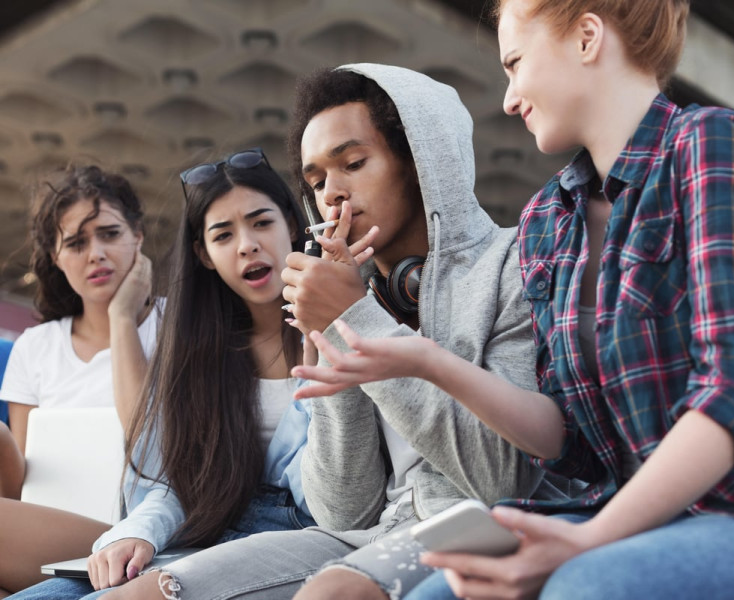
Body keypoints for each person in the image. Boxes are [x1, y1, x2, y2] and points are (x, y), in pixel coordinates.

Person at [291, 1, 734, 598]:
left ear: (587, 38)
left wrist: (590, 539)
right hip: (602, 510)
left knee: (585, 585)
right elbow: (564, 438)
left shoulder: (713, 147)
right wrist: (422, 360)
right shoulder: (549, 219)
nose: (508, 98)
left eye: (515, 62)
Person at [98, 63, 567, 600]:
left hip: (480, 524)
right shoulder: (350, 291)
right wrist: (337, 330)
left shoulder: (511, 263)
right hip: (362, 535)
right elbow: (345, 506)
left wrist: (361, 320)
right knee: (138, 595)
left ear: (418, 160)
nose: (332, 195)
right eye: (317, 181)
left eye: (353, 163)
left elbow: (500, 480)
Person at [7, 148, 373, 600]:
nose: (246, 245)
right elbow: (172, 479)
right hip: (198, 535)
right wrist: (136, 531)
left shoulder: (349, 328)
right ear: (204, 255)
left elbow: (340, 500)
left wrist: (325, 341)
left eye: (261, 222)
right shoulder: (195, 351)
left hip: (301, 541)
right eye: (223, 235)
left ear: (293, 226)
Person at [0, 165, 156, 597]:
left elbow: (148, 438)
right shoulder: (35, 346)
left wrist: (123, 317)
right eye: (76, 243)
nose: (96, 253)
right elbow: (20, 487)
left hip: (139, 532)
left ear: (137, 238)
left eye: (109, 234)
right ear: (56, 257)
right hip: (50, 532)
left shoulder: (178, 325)